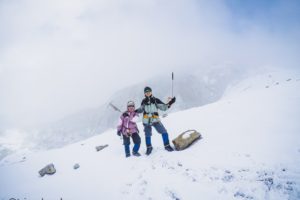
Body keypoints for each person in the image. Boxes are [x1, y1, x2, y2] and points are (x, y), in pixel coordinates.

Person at [135, 86, 176, 155]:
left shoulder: (155, 100)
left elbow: (164, 107)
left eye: (149, 92)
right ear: (144, 93)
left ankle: (167, 145)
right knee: (147, 135)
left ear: (151, 92)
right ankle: (149, 148)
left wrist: (170, 102)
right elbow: (141, 109)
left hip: (155, 120)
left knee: (164, 132)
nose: (148, 93)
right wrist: (134, 111)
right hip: (146, 121)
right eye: (146, 92)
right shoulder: (143, 101)